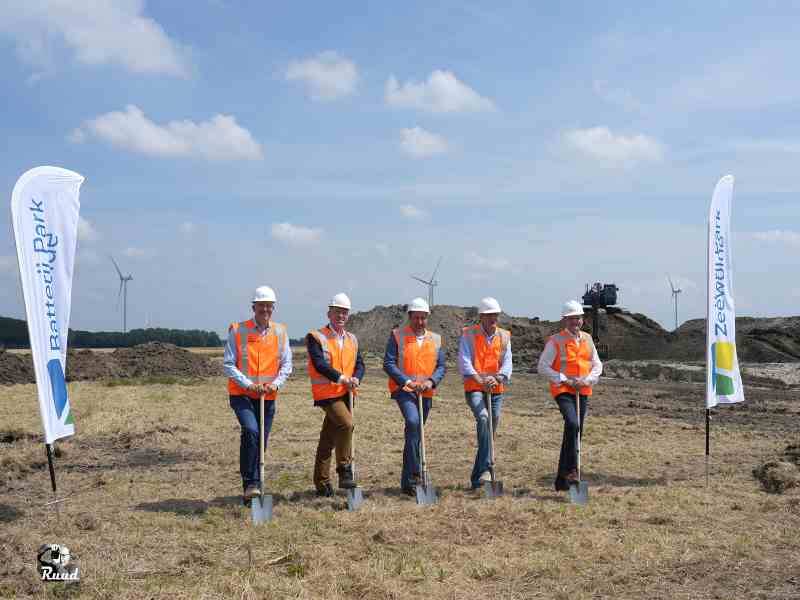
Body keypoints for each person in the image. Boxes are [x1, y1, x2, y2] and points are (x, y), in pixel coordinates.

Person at [223, 285, 292, 504]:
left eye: (269, 306)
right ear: (253, 307)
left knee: (261, 441)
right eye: (261, 305)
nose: (265, 309)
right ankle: (250, 483)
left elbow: (286, 364)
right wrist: (249, 384)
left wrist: (275, 384)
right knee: (251, 431)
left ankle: (254, 486)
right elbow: (228, 364)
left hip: (268, 396)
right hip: (242, 395)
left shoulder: (280, 332)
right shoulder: (238, 330)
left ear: (273, 308)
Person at [383, 297, 446, 495]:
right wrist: (407, 382)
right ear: (409, 317)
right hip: (404, 391)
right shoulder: (397, 336)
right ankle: (416, 474)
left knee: (415, 433)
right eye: (416, 317)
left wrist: (430, 382)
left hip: (426, 391)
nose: (420, 321)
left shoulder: (435, 339)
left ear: (427, 317)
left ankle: (408, 483)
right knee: (412, 423)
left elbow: (441, 366)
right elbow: (389, 363)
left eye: (423, 318)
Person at [537, 300, 602, 491]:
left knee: (574, 431)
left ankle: (561, 480)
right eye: (572, 318)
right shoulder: (556, 341)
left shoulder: (588, 339)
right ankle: (573, 470)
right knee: (573, 424)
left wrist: (588, 380)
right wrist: (564, 379)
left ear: (582, 319)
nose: (575, 321)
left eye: (578, 318)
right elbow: (542, 366)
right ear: (565, 320)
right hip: (563, 390)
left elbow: (597, 365)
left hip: (582, 390)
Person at [306, 293, 365, 497]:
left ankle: (321, 483)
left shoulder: (352, 339)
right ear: (329, 313)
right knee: (346, 424)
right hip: (328, 394)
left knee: (328, 440)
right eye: (337, 311)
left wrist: (357, 378)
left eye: (344, 312)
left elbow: (360, 364)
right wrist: (341, 378)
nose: (341, 315)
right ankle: (345, 470)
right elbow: (320, 364)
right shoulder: (316, 337)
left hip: (347, 393)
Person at [458, 297, 512, 490]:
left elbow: (507, 362)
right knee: (483, 418)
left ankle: (481, 475)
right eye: (489, 315)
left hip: (496, 388)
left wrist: (498, 378)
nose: (493, 318)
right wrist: (480, 379)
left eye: (495, 315)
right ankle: (486, 469)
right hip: (475, 388)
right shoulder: (469, 335)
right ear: (481, 316)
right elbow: (464, 361)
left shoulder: (504, 336)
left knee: (492, 421)